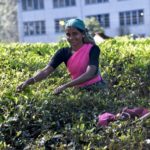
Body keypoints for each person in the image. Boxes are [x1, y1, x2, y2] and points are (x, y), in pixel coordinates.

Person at [17, 18, 105, 94]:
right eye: (68, 34)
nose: (71, 37)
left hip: (97, 88)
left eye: (75, 33)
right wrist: (29, 81)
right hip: (79, 91)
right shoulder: (63, 52)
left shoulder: (93, 49)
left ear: (82, 34)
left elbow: (90, 73)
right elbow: (46, 71)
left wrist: (66, 86)